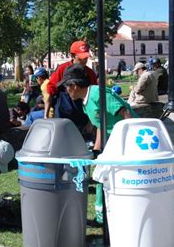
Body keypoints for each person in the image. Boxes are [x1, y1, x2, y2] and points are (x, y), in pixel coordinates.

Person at [57, 64, 137, 226]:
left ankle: (105, 217)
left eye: (67, 87)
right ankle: (102, 216)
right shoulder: (85, 103)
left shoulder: (97, 94)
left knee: (107, 177)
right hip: (113, 143)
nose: (66, 91)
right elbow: (101, 124)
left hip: (128, 142)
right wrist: (96, 149)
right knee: (102, 176)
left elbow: (125, 112)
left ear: (74, 85)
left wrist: (130, 142)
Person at [45, 41, 97, 132]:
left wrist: (90, 121)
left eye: (86, 57)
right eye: (81, 57)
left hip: (82, 116)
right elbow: (51, 92)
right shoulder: (62, 69)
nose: (85, 60)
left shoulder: (90, 73)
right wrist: (46, 115)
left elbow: (95, 99)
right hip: (62, 114)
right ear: (72, 56)